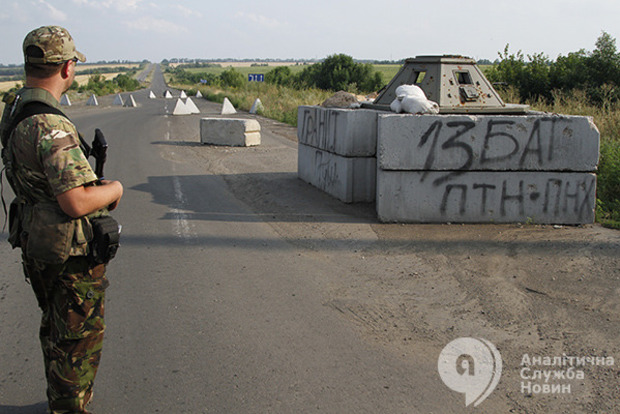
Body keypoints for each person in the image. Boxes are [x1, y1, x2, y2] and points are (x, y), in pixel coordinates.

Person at [0, 26, 123, 413]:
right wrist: (114, 189)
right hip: (67, 255)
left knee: (56, 331)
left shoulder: (16, 107)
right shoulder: (50, 125)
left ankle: (62, 399)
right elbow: (74, 200)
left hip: (39, 244)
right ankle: (70, 405)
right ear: (67, 67)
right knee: (77, 342)